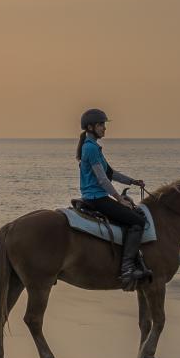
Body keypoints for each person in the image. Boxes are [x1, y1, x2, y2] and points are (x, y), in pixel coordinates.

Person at [75, 109, 151, 290]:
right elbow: (102, 179)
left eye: (104, 125)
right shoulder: (90, 148)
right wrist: (119, 198)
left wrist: (132, 181)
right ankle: (127, 270)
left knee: (132, 215)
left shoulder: (93, 147)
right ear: (91, 127)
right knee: (138, 221)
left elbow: (111, 173)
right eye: (101, 125)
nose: (104, 128)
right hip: (97, 198)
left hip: (95, 196)